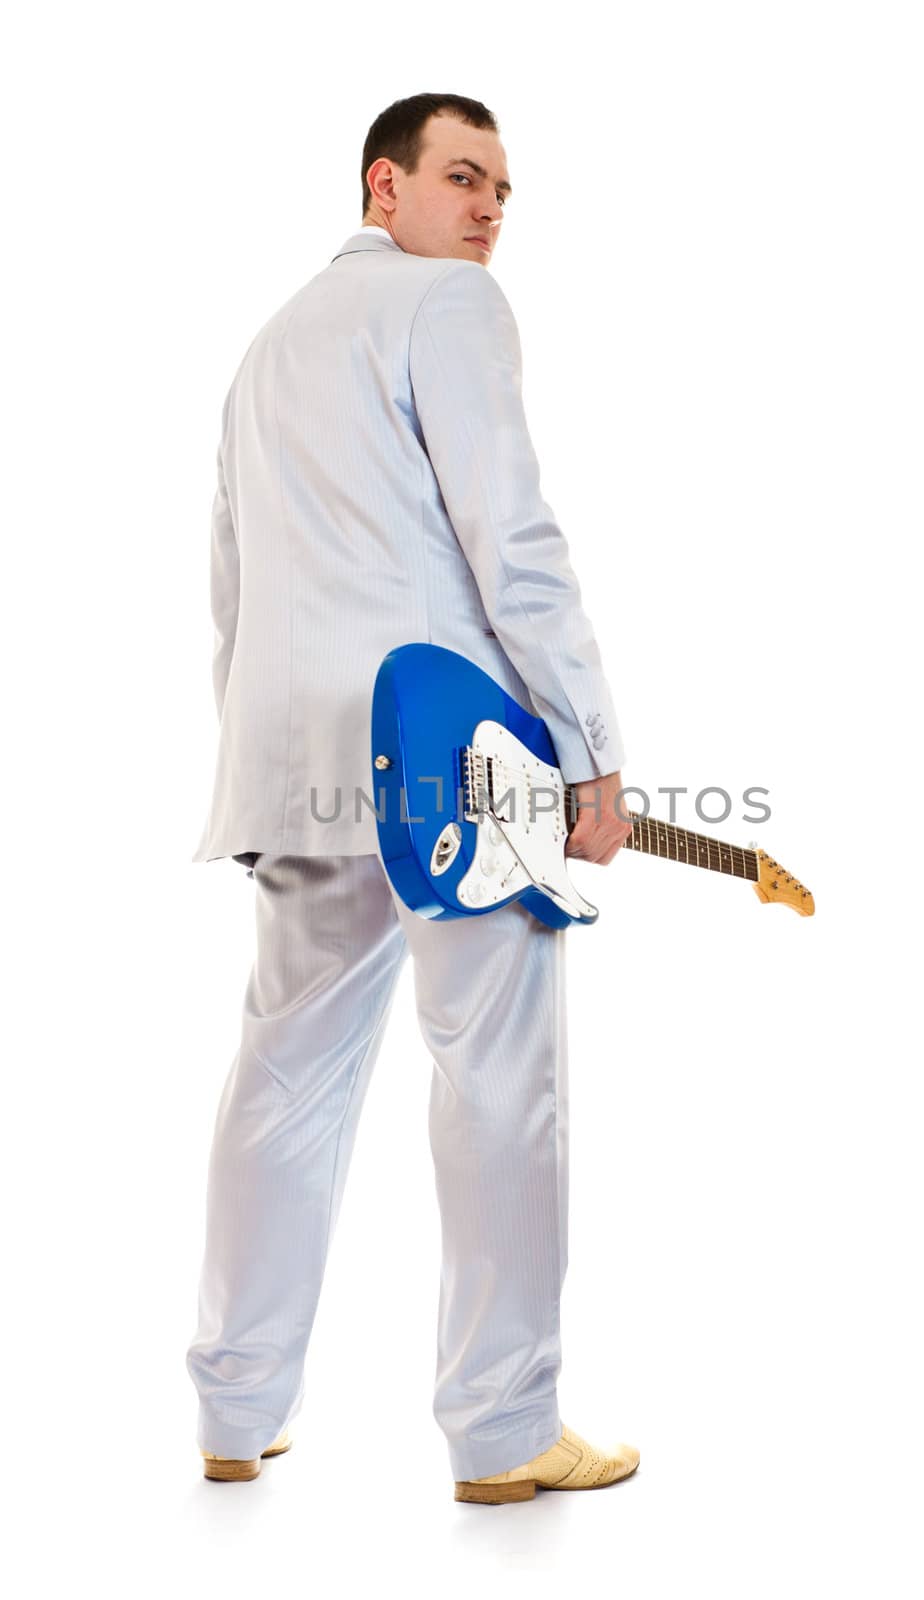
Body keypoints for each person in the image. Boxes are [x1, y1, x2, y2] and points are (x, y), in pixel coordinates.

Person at [186, 91, 640, 1504]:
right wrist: (587, 747)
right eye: (461, 177)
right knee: (501, 1080)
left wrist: (264, 756)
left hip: (301, 751)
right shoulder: (447, 307)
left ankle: (235, 1407)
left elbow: (231, 582)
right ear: (382, 186)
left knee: (286, 1078)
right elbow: (508, 532)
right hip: (447, 752)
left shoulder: (266, 345)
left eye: (502, 187)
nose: (488, 207)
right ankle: (504, 1432)